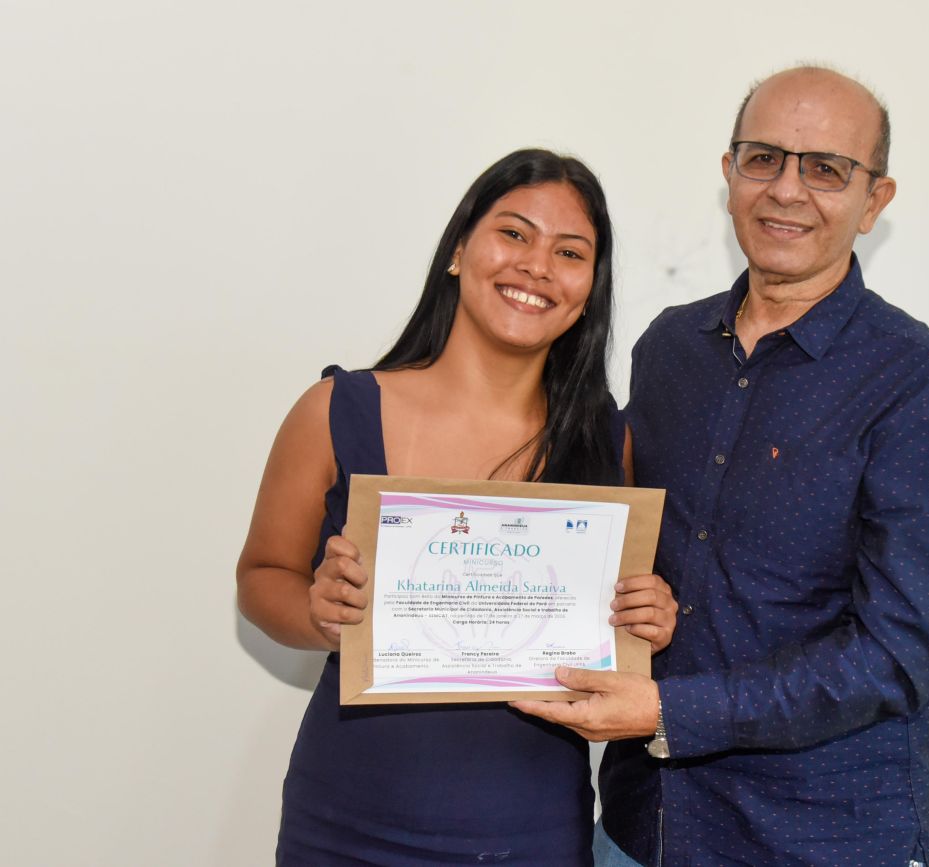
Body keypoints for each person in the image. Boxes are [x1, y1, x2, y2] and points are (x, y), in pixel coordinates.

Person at [513, 67, 929, 866]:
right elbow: (613, 545)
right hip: (641, 829)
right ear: (729, 172)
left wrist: (668, 709)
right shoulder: (668, 349)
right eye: (764, 157)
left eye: (826, 168)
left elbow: (894, 654)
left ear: (874, 200)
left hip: (818, 839)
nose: (787, 189)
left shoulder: (918, 384)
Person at [236, 148, 679, 866]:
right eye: (514, 233)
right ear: (457, 250)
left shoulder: (609, 441)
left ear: (589, 289)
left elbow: (613, 632)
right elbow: (260, 578)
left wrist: (645, 619)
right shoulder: (335, 410)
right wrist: (318, 614)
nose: (537, 266)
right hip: (345, 824)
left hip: (530, 831)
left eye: (570, 252)